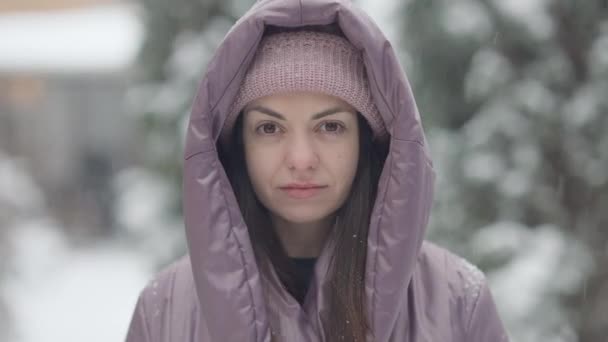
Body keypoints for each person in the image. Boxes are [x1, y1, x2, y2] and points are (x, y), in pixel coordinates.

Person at [125, 0, 509, 341]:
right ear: (238, 145)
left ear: (367, 140)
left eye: (330, 126)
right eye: (269, 128)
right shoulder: (166, 308)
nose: (301, 158)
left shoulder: (458, 301)